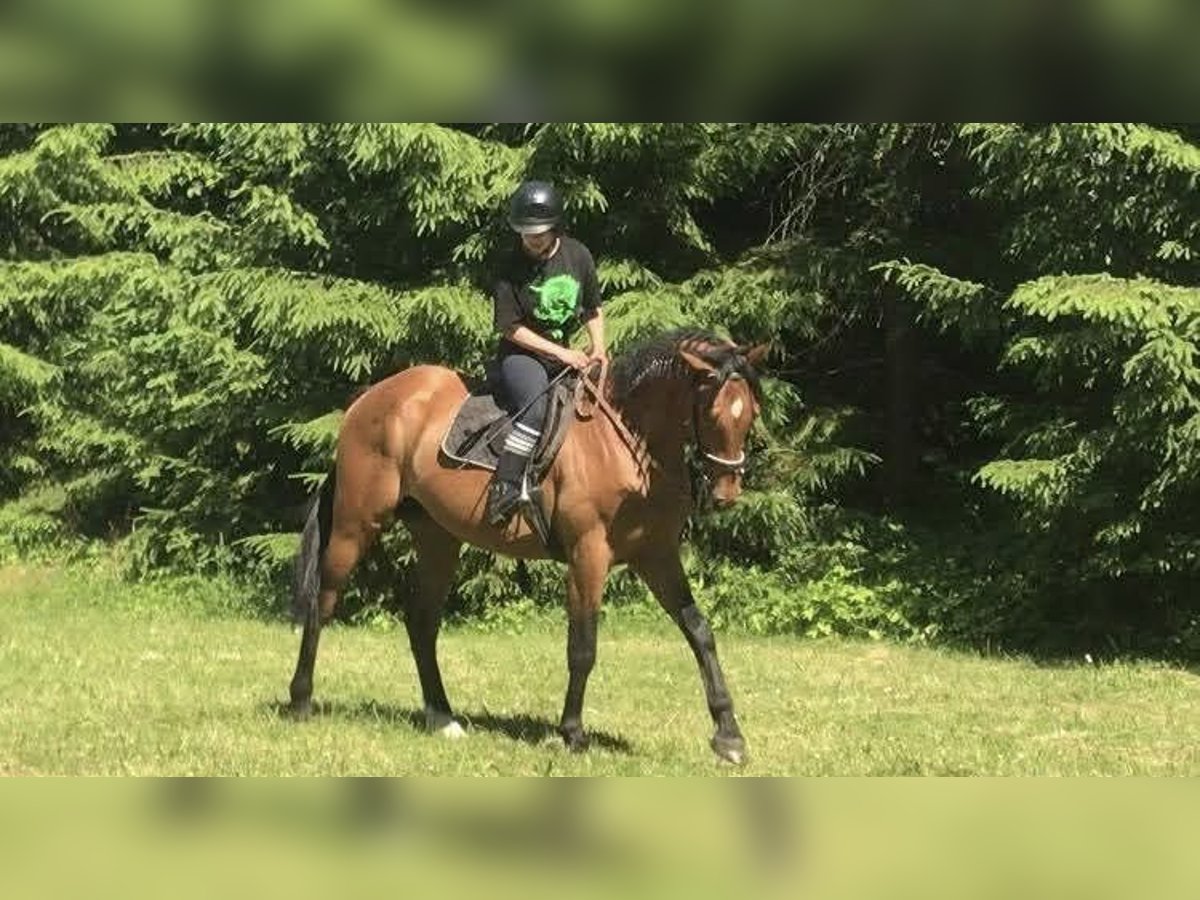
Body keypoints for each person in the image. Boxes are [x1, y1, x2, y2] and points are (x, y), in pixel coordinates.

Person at [485, 179, 606, 526]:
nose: (531, 239)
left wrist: (599, 347)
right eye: (525, 233)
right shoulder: (509, 264)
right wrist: (563, 354)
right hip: (522, 355)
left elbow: (592, 309)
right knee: (535, 409)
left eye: (538, 233)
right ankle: (505, 488)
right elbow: (510, 327)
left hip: (565, 355)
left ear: (555, 227)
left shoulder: (578, 255)